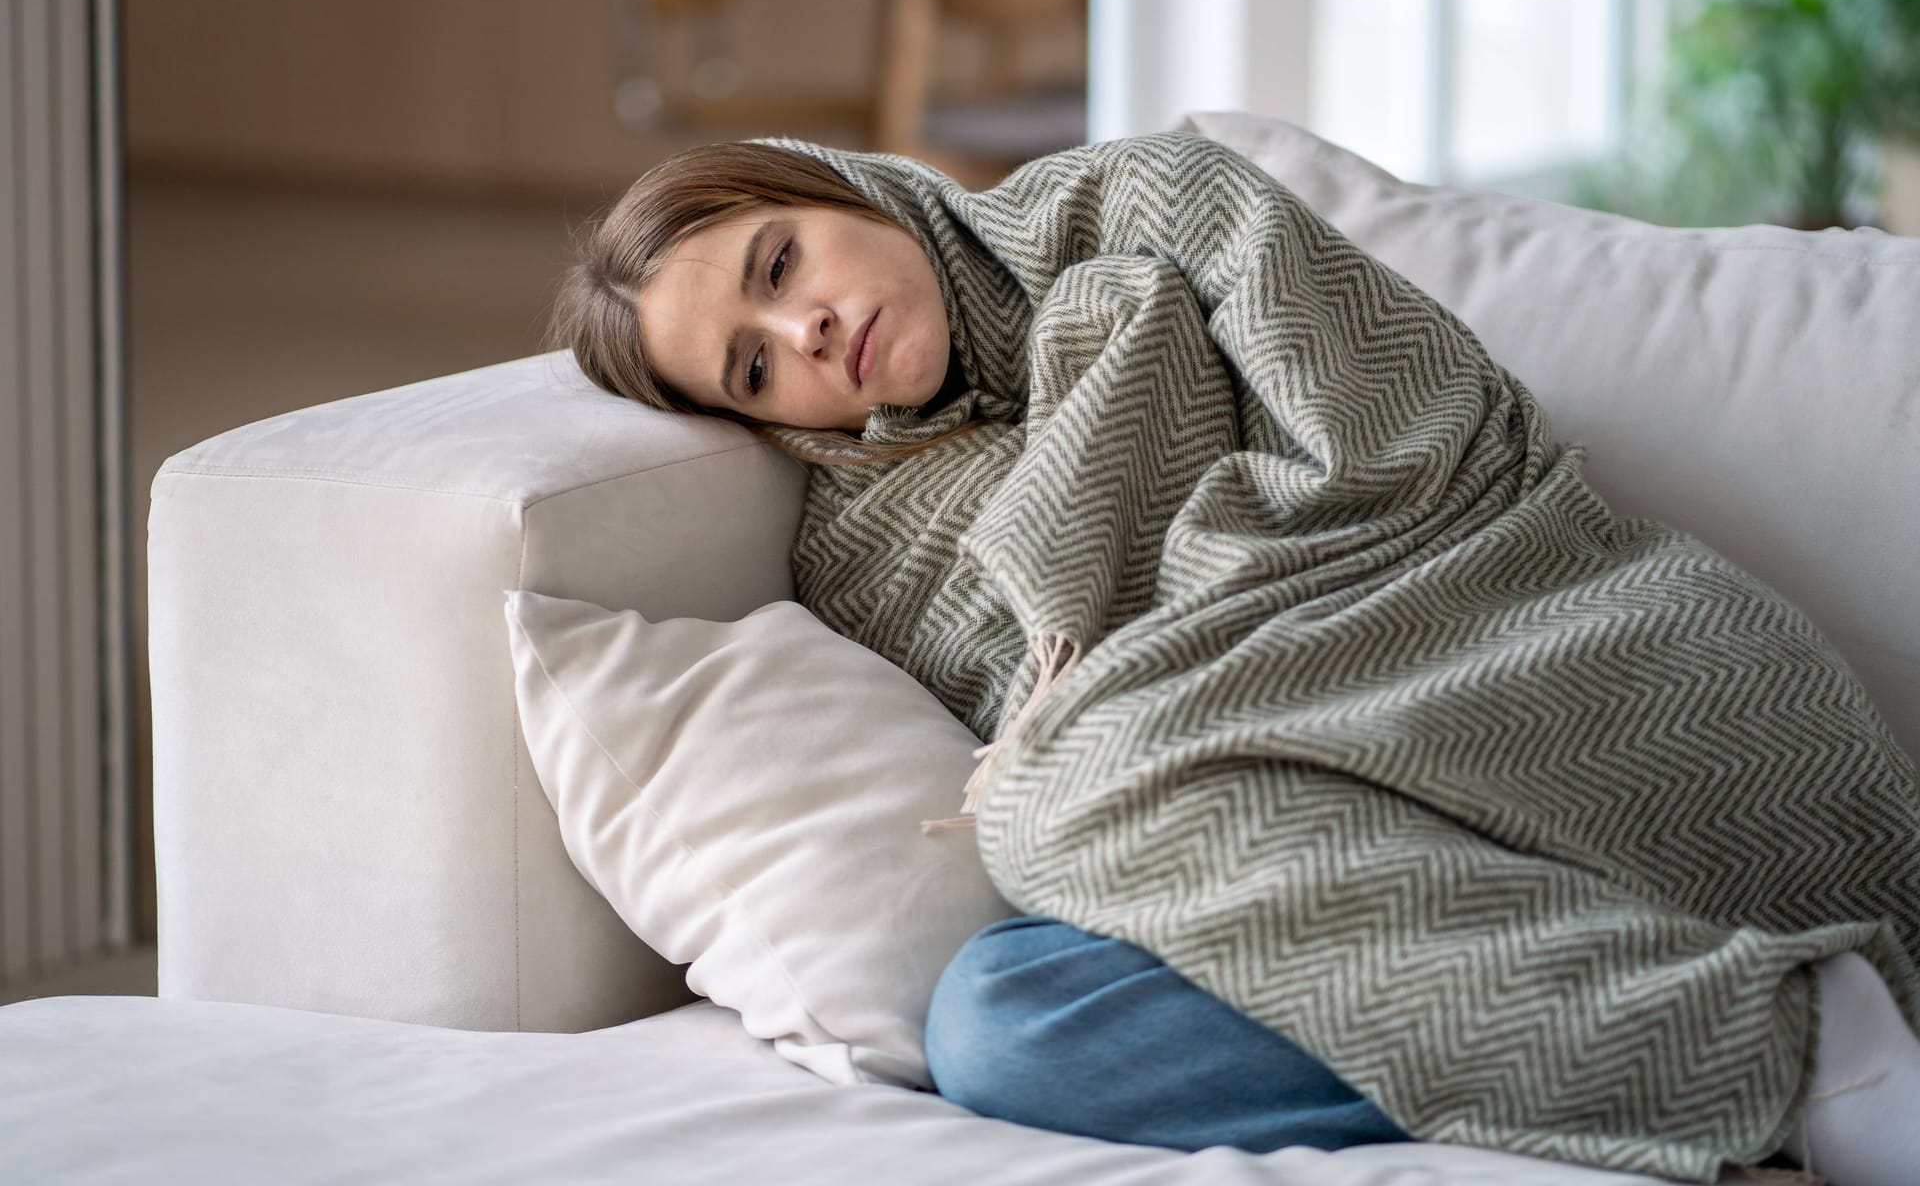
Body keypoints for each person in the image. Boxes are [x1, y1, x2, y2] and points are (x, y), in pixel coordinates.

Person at [545, 135, 1920, 1186]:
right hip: (1313, 829)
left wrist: (1114, 455)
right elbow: (1110, 745)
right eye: (753, 370)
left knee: (1047, 803)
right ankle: (1774, 1046)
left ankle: (1730, 1065)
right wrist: (1110, 667)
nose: (806, 335)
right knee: (1000, 1022)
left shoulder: (1151, 201)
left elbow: (1406, 434)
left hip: (1537, 644)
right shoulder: (861, 555)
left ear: (846, 191)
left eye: (780, 267)